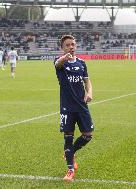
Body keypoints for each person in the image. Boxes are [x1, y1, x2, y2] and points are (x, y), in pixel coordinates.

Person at [54, 35, 94, 181]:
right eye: (67, 45)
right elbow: (57, 64)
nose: (71, 47)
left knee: (88, 135)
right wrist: (63, 59)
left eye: (73, 44)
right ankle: (70, 170)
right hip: (67, 108)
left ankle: (70, 152)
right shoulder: (60, 63)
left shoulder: (82, 63)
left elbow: (87, 82)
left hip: (82, 106)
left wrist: (89, 92)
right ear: (62, 48)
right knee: (68, 138)